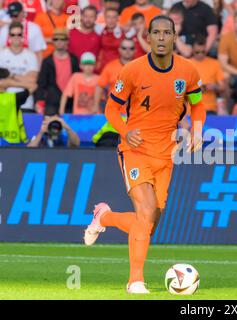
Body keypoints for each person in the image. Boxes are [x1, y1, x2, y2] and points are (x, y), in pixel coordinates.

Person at [83, 15, 206, 294]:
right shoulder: (132, 70)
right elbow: (111, 109)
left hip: (166, 154)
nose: (162, 38)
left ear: (175, 37)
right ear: (148, 37)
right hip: (135, 149)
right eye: (156, 33)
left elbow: (198, 105)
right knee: (146, 212)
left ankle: (104, 217)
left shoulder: (187, 71)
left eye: (167, 33)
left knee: (147, 226)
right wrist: (126, 131)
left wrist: (197, 131)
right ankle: (134, 281)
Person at [35, 28, 80, 116]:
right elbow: (41, 83)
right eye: (56, 39)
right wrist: (39, 101)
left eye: (62, 39)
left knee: (70, 128)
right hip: (51, 102)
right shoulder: (47, 61)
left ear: (67, 41)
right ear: (53, 41)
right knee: (50, 128)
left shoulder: (74, 60)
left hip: (70, 101)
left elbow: (77, 82)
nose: (59, 42)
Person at [0, 21, 39, 113]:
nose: (16, 37)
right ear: (9, 36)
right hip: (4, 102)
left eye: (19, 34)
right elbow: (1, 83)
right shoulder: (1, 55)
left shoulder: (31, 55)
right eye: (13, 34)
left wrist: (11, 76)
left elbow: (33, 81)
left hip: (26, 103)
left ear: (23, 36)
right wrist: (26, 83)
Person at [94, 38, 136, 113]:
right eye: (124, 48)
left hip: (135, 114)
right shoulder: (110, 66)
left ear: (135, 50)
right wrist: (96, 107)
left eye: (131, 48)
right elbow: (99, 86)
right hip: (115, 113)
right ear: (119, 49)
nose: (127, 51)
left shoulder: (140, 67)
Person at [190, 37, 225, 114]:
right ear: (192, 50)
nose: (200, 54)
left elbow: (223, 87)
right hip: (191, 109)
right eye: (197, 52)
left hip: (210, 108)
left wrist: (214, 86)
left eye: (203, 52)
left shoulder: (215, 63)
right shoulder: (186, 64)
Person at [0, 67, 33, 145]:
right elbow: (33, 86)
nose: (11, 81)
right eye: (9, 79)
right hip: (12, 142)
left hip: (11, 142)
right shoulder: (13, 98)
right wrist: (13, 80)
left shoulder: (14, 97)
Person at [97, 8, 124, 72]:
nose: (111, 20)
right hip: (103, 67)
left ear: (118, 18)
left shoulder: (124, 33)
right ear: (105, 18)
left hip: (119, 68)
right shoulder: (99, 31)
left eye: (114, 17)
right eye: (108, 17)